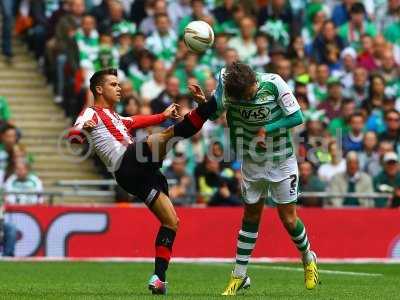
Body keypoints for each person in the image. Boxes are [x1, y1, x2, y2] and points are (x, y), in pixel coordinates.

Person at [71, 68, 211, 295]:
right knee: (167, 136)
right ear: (99, 89)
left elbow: (136, 120)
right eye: (113, 84)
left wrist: (163, 116)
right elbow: (74, 135)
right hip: (126, 163)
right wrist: (80, 132)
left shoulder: (117, 117)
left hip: (135, 177)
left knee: (171, 222)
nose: (119, 88)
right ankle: (209, 107)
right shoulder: (91, 113)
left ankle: (159, 279)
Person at [189, 62, 319, 295]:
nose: (248, 99)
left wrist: (266, 129)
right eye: (243, 97)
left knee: (289, 220)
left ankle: (308, 259)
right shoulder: (226, 85)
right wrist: (204, 103)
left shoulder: (273, 83)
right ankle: (239, 276)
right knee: (250, 215)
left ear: (253, 81)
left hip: (282, 160)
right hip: (251, 160)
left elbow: (297, 116)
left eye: (250, 93)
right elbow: (216, 112)